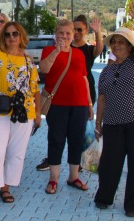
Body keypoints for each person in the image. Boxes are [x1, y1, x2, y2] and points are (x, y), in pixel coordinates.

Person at [94, 2, 134, 218]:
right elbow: (102, 99)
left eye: (122, 42)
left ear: (130, 46)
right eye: (114, 42)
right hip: (113, 123)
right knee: (108, 164)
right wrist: (98, 123)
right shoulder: (106, 72)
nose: (117, 45)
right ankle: (104, 197)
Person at [0, 11, 40, 211]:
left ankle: (6, 187)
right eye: (8, 34)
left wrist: (37, 115)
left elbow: (34, 88)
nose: (11, 37)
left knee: (16, 154)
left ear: (21, 37)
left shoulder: (29, 61)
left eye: (15, 34)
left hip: (24, 113)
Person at [36, 15, 101, 173]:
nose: (64, 36)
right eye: (61, 33)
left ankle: (74, 176)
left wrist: (90, 104)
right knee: (56, 140)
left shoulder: (79, 54)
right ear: (55, 34)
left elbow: (84, 78)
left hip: (79, 104)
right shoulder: (49, 50)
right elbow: (44, 69)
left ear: (73, 36)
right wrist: (57, 52)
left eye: (68, 33)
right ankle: (54, 178)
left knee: (76, 140)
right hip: (57, 104)